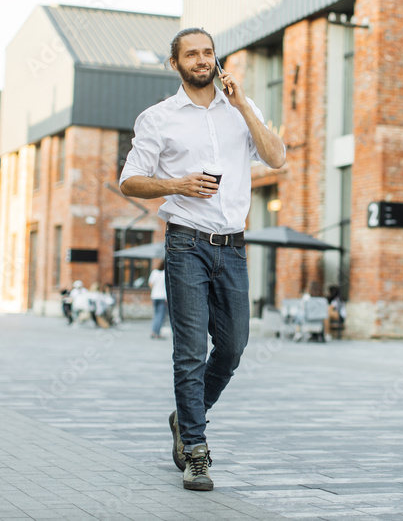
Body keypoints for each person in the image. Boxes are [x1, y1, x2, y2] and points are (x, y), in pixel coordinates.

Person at [119, 27, 285, 491]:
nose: (201, 60)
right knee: (190, 353)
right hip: (186, 244)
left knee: (232, 349)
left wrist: (244, 104)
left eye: (207, 52)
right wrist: (178, 184)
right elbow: (129, 181)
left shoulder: (239, 113)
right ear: (176, 63)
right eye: (191, 54)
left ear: (217, 59)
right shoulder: (159, 118)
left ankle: (184, 417)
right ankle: (196, 450)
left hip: (233, 246)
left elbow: (277, 158)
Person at [148, 259, 168, 339]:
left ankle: (154, 331)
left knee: (156, 314)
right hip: (163, 297)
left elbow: (150, 284)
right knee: (161, 316)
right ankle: (156, 332)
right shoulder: (165, 273)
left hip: (154, 296)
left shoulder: (154, 272)